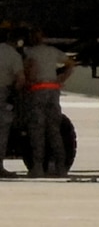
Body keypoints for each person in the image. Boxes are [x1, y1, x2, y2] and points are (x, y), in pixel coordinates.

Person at [19, 29, 74, 178]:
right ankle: (61, 168)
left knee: (37, 130)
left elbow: (29, 68)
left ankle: (38, 167)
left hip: (37, 91)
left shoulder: (30, 52)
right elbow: (70, 63)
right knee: (54, 130)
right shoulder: (52, 51)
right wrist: (61, 78)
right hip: (53, 91)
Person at [0, 37, 22, 176]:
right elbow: (21, 78)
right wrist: (15, 95)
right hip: (3, 93)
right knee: (2, 131)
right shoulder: (12, 54)